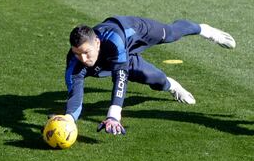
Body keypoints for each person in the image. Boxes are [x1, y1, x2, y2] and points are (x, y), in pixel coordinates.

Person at [60, 16, 236, 135]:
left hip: (133, 32)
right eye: (77, 53)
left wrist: (113, 115)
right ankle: (172, 85)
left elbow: (121, 78)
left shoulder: (114, 41)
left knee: (171, 34)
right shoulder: (74, 61)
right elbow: (75, 92)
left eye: (86, 52)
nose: (82, 58)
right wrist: (69, 118)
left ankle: (203, 29)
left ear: (96, 42)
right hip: (116, 58)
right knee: (157, 80)